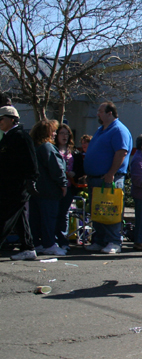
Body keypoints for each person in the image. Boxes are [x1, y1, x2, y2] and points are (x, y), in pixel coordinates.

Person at [83, 102, 132, 254]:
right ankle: (99, 240)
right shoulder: (101, 130)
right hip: (96, 178)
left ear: (110, 113)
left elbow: (121, 152)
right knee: (98, 210)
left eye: (100, 111)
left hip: (110, 178)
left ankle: (114, 241)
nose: (97, 114)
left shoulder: (118, 130)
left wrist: (111, 173)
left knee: (111, 210)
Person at [0, 107, 39, 260]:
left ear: (12, 119)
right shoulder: (7, 137)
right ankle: (28, 248)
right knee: (20, 218)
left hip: (17, 186)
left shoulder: (21, 136)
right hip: (7, 185)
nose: (0, 122)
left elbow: (31, 161)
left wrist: (31, 180)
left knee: (5, 217)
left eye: (2, 118)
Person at [29, 119, 68, 256]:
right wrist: (63, 184)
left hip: (37, 190)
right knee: (49, 219)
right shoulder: (47, 147)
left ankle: (38, 243)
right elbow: (56, 168)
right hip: (49, 190)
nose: (55, 134)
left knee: (36, 219)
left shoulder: (35, 147)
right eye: (53, 131)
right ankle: (49, 244)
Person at [54, 124, 77, 250]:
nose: (64, 136)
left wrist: (74, 173)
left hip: (69, 186)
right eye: (62, 133)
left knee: (64, 214)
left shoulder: (72, 152)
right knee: (54, 213)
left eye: (67, 134)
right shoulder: (53, 149)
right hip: (56, 186)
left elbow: (79, 168)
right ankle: (52, 239)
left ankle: (63, 240)